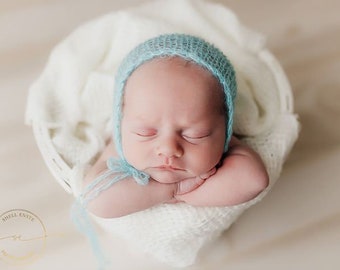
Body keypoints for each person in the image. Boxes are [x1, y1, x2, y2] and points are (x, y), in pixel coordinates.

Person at [82, 34, 269, 218]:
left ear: (225, 128)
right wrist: (174, 189)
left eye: (195, 134)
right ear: (120, 121)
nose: (168, 149)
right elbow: (94, 199)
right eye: (145, 132)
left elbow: (255, 180)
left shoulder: (224, 145)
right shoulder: (121, 145)